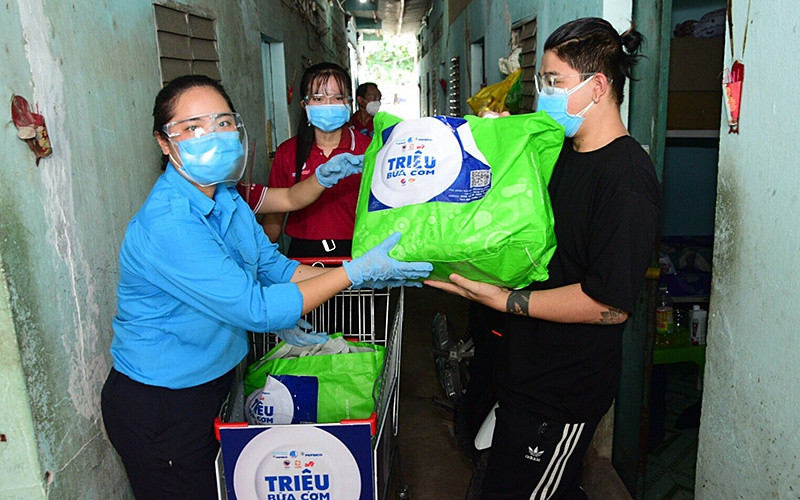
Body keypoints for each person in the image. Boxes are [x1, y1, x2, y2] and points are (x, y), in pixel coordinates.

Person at [100, 74, 432, 499]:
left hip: (215, 380)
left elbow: (278, 268)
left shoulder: (226, 199)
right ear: (165, 143)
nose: (213, 136)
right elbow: (256, 308)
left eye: (222, 122)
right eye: (193, 127)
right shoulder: (168, 223)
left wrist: (368, 270)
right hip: (163, 402)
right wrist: (356, 273)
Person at [426, 18, 661, 499]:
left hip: (563, 391)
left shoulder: (628, 178)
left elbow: (610, 304)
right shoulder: (562, 152)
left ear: (598, 86)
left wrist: (507, 301)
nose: (542, 95)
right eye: (541, 82)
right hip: (521, 372)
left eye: (554, 83)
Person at [263, 62, 369, 257]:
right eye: (318, 98)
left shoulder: (369, 149)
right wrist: (254, 257)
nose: (328, 105)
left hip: (358, 252)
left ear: (349, 102)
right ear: (305, 105)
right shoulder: (288, 152)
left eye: (338, 97)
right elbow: (274, 217)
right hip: (303, 256)